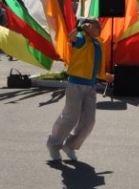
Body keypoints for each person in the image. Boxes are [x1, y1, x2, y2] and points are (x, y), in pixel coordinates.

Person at [46, 18, 113, 162]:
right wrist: (80, 28)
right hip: (76, 84)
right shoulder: (82, 39)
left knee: (89, 121)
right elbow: (71, 37)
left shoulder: (97, 42)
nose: (100, 28)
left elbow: (93, 64)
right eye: (97, 26)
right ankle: (54, 145)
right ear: (88, 26)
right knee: (70, 117)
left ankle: (70, 146)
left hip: (91, 85)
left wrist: (104, 75)